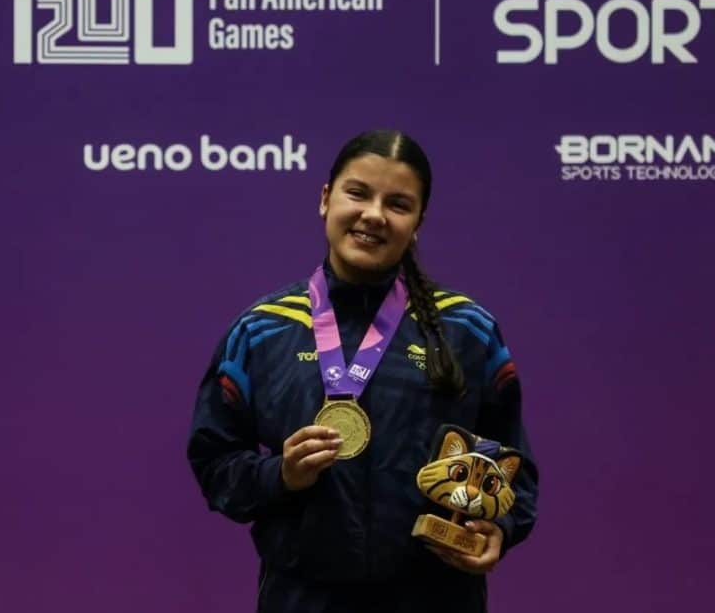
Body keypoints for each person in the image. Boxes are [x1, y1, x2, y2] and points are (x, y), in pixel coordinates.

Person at [187, 129, 539, 612]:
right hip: (302, 600)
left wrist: (499, 526)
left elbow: (513, 461)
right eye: (358, 193)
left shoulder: (466, 329)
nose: (374, 215)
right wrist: (280, 475)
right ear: (326, 198)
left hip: (437, 599)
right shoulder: (262, 330)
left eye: (398, 204)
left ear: (417, 222)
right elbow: (214, 460)